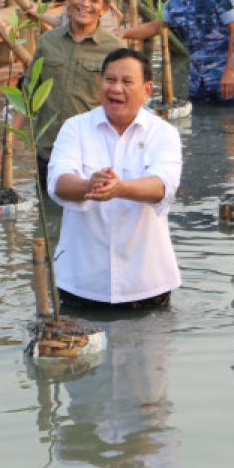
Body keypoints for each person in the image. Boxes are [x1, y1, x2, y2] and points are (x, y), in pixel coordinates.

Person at [48, 49, 181, 310]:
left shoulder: (164, 133)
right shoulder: (75, 127)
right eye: (110, 80)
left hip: (146, 284)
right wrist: (89, 185)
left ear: (147, 89)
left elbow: (163, 185)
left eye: (127, 82)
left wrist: (121, 188)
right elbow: (59, 182)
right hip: (81, 282)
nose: (116, 88)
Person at [10, 0, 125, 187]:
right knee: (48, 218)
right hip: (49, 153)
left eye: (94, 0)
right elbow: (27, 94)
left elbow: (126, 107)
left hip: (94, 158)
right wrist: (9, 141)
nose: (85, 4)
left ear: (104, 9)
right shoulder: (47, 42)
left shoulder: (115, 50)